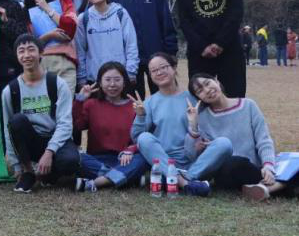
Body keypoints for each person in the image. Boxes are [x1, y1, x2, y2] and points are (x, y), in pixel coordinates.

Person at [130, 52, 232, 196]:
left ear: (174, 67)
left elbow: (207, 128)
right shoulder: (149, 103)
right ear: (150, 75)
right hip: (165, 162)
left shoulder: (194, 98)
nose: (159, 72)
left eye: (163, 67)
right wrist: (141, 116)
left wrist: (198, 133)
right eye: (154, 70)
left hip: (196, 162)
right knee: (144, 138)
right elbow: (137, 138)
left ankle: (181, 179)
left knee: (224, 143)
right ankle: (186, 183)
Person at [186, 73, 296, 201]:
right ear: (198, 98)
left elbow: (263, 140)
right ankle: (278, 186)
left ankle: (265, 189)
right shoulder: (203, 118)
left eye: (207, 83)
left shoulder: (248, 105)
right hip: (228, 171)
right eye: (200, 91)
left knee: (294, 165)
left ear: (216, 80)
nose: (207, 90)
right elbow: (191, 155)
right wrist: (193, 125)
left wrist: (268, 166)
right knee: (234, 163)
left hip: (254, 169)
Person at [1, 34, 79, 193]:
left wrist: (49, 152)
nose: (26, 55)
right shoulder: (10, 90)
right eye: (21, 51)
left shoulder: (57, 83)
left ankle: (49, 174)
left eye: (31, 49)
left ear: (41, 53)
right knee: (16, 121)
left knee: (70, 161)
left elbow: (65, 124)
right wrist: (17, 166)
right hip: (31, 142)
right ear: (17, 56)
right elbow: (8, 130)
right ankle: (28, 172)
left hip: (54, 138)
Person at [109, 0, 179, 97]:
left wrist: (171, 52)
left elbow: (166, 20)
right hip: (130, 60)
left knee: (166, 96)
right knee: (133, 101)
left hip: (158, 55)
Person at [73, 62, 148, 192]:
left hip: (124, 159)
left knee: (142, 158)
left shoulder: (134, 107)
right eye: (107, 80)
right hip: (96, 159)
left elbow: (142, 137)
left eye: (117, 80)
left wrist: (130, 150)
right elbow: (79, 125)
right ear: (100, 83)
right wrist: (80, 100)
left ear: (124, 83)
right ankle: (127, 177)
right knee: (74, 157)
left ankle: (98, 182)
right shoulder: (91, 104)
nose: (112, 84)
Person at [75, 0, 139, 88]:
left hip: (120, 78)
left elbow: (131, 45)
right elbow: (80, 51)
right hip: (94, 79)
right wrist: (82, 77)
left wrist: (131, 71)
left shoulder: (121, 13)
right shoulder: (83, 19)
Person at [22, 0, 78, 91]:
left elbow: (70, 29)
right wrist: (50, 35)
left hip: (65, 61)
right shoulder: (24, 10)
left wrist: (47, 8)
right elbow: (28, 44)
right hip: (40, 64)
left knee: (66, 102)